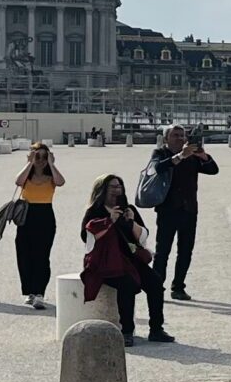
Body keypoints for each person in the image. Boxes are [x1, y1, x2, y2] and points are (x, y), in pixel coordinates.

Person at [81, 174, 170, 344]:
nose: (117, 190)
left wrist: (131, 222)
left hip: (130, 259)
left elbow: (143, 237)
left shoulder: (128, 209)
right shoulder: (94, 211)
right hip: (106, 262)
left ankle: (156, 329)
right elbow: (86, 238)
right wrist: (109, 221)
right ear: (102, 190)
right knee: (128, 285)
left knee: (155, 283)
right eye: (113, 187)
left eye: (119, 186)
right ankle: (126, 331)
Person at [149, 126, 219, 301]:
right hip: (167, 209)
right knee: (162, 251)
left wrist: (203, 156)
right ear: (166, 139)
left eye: (182, 135)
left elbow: (213, 170)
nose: (180, 138)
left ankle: (178, 286)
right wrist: (180, 157)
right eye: (175, 135)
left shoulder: (192, 156)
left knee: (186, 250)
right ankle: (157, 286)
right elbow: (158, 168)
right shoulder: (160, 153)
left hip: (189, 209)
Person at [12, 142, 66, 310]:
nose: (40, 160)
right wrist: (30, 162)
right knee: (24, 254)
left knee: (42, 256)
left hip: (45, 216)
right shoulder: (27, 176)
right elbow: (18, 181)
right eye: (38, 156)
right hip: (26, 216)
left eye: (44, 156)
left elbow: (61, 181)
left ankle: (39, 292)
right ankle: (30, 291)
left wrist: (51, 163)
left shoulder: (51, 177)